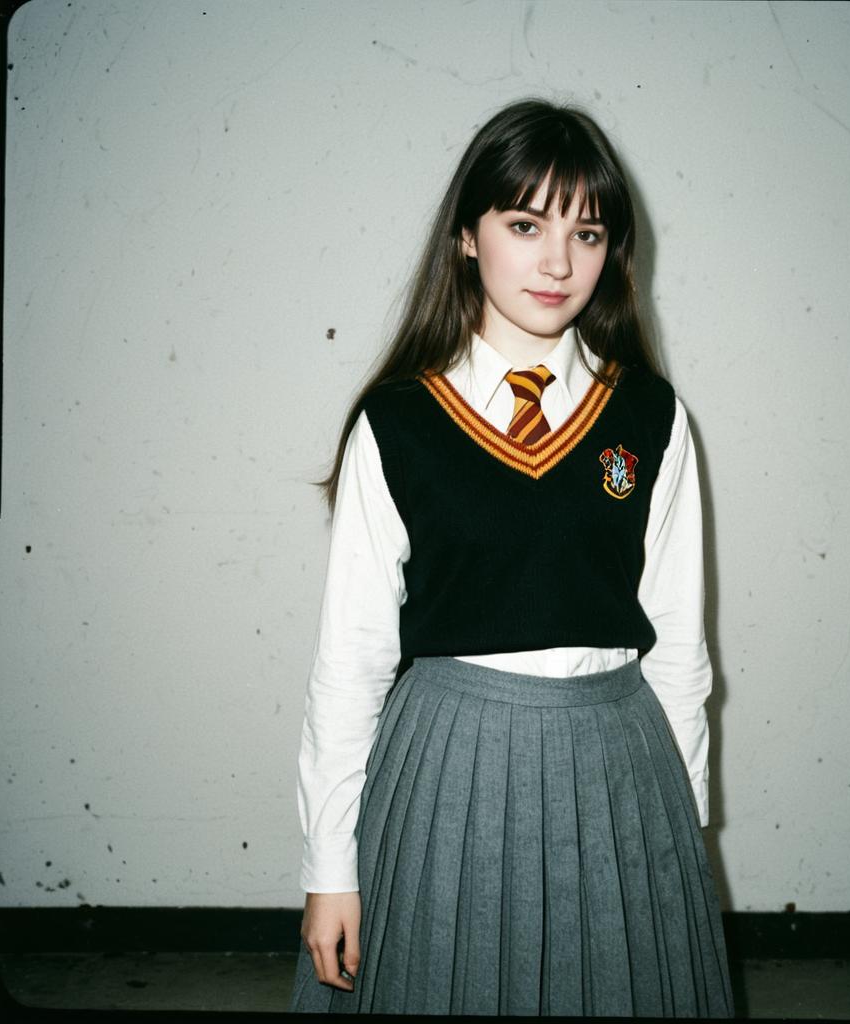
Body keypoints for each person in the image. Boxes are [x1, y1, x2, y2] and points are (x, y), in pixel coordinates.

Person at [288, 98, 734, 1017]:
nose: (559, 261)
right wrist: (331, 868)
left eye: (589, 231)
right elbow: (351, 662)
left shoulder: (651, 418)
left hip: (618, 771)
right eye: (526, 224)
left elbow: (684, 654)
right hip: (448, 766)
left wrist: (681, 835)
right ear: (466, 235)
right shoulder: (398, 423)